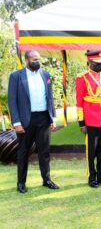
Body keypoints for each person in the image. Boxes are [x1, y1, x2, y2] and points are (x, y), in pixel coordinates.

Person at [8, 50, 59, 193]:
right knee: (23, 151)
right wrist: (16, 123)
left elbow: (50, 98)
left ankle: (47, 180)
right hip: (25, 120)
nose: (37, 62)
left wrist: (53, 118)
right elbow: (12, 102)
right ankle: (21, 183)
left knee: (44, 151)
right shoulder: (16, 76)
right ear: (27, 60)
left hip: (43, 118)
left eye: (38, 59)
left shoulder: (46, 75)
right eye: (34, 59)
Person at [76, 50, 101, 188]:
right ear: (90, 62)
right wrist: (81, 122)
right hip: (90, 118)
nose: (100, 66)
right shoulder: (82, 77)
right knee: (91, 150)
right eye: (97, 64)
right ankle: (92, 178)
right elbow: (79, 101)